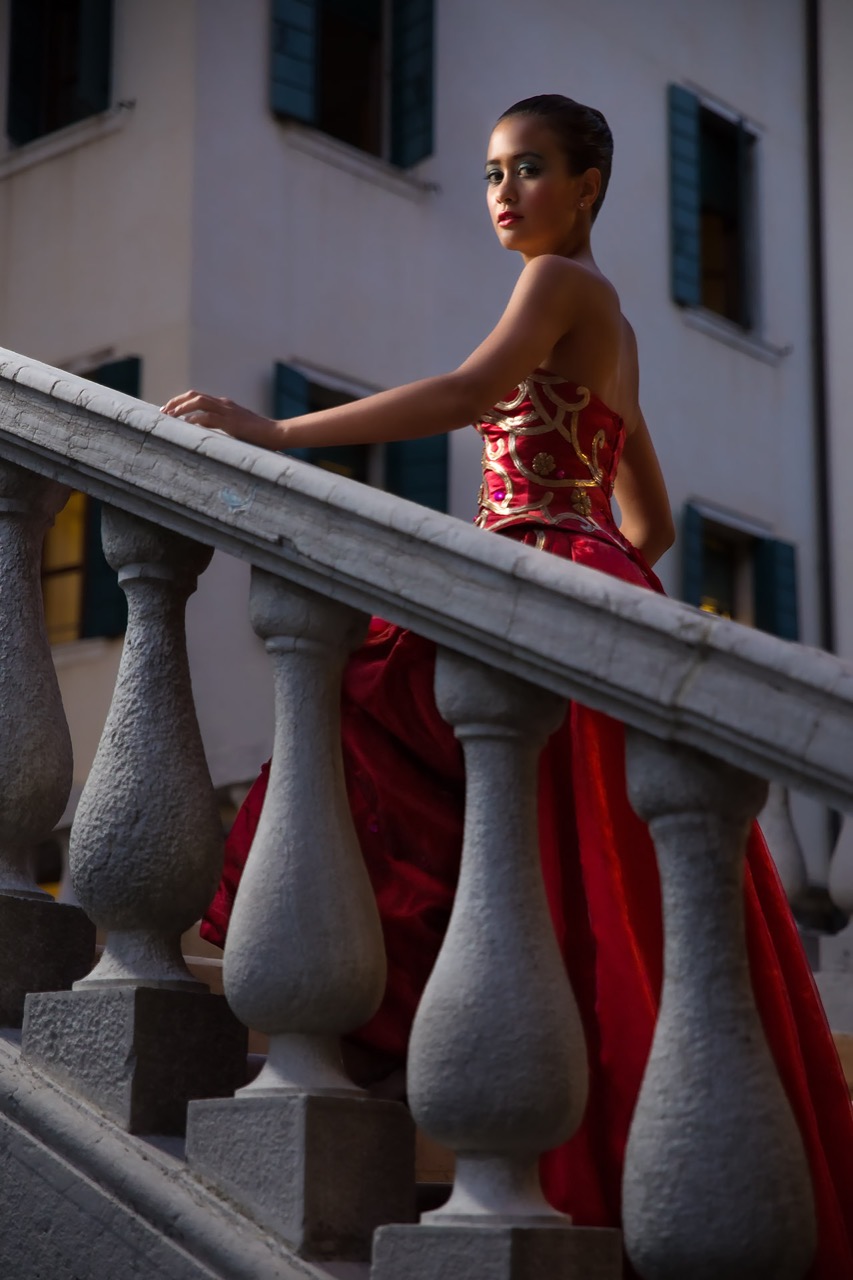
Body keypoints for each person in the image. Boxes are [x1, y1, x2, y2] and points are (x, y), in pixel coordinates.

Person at [162, 95, 853, 1276]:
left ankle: (388, 1034)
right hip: (588, 572)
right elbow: (656, 518)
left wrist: (277, 432)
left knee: (373, 737)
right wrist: (605, 562)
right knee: (573, 877)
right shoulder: (612, 321)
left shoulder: (555, 288)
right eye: (490, 170)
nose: (501, 191)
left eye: (529, 169)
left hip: (535, 565)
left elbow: (475, 392)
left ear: (588, 186)